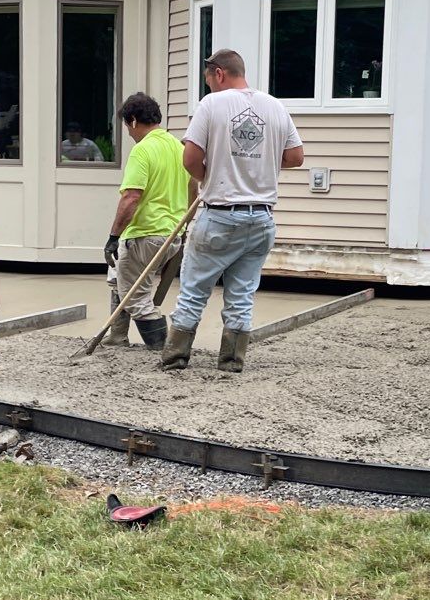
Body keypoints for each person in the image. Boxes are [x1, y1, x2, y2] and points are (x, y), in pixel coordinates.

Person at [162, 49, 304, 373]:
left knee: (194, 290)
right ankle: (231, 361)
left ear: (219, 74)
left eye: (208, 80)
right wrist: (263, 164)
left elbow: (189, 159)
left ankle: (175, 358)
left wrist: (207, 175)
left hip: (220, 216)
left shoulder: (211, 104)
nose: (209, 86)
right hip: (262, 219)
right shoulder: (275, 106)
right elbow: (296, 157)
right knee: (241, 294)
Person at [102, 92, 191, 350]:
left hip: (144, 233)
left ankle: (162, 347)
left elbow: (131, 197)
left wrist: (113, 237)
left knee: (137, 298)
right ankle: (117, 336)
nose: (129, 133)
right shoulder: (178, 148)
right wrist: (183, 225)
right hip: (171, 233)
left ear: (132, 121)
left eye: (127, 127)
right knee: (119, 278)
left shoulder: (142, 150)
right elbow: (194, 187)